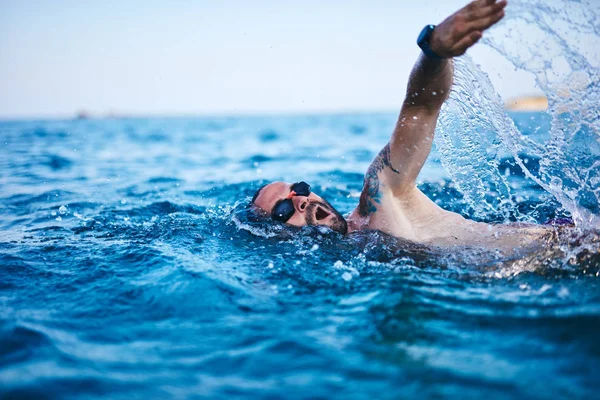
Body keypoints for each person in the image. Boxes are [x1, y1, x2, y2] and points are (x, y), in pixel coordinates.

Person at [249, 0, 566, 255]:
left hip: (570, 247)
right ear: (276, 236)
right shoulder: (355, 260)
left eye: (299, 190)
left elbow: (421, 108)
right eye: (281, 210)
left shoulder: (378, 195)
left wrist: (433, 51)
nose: (301, 200)